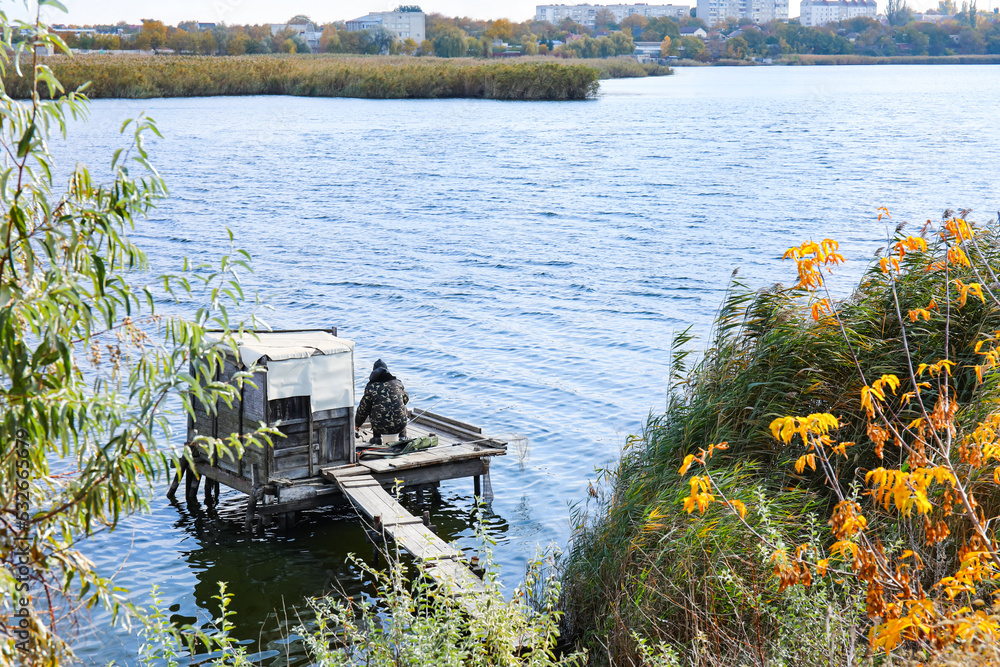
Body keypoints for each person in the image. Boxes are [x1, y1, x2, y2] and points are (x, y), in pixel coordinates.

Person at [355, 359, 409, 445]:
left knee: (372, 406)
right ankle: (402, 436)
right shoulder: (398, 383)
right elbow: (406, 399)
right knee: (402, 405)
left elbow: (362, 410)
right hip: (399, 426)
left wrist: (357, 425)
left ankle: (377, 438)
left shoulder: (371, 388)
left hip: (380, 427)